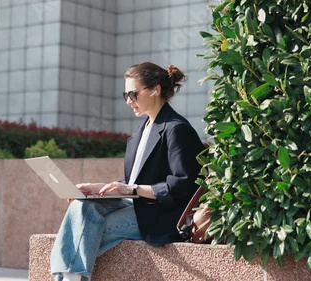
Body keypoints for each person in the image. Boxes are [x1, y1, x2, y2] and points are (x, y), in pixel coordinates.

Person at [50, 62, 206, 281]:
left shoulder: (176, 129)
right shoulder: (141, 131)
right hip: (135, 203)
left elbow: (183, 186)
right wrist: (98, 188)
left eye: (133, 94)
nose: (129, 101)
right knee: (81, 205)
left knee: (86, 229)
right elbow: (133, 181)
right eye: (126, 95)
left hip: (160, 214)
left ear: (155, 90)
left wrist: (132, 188)